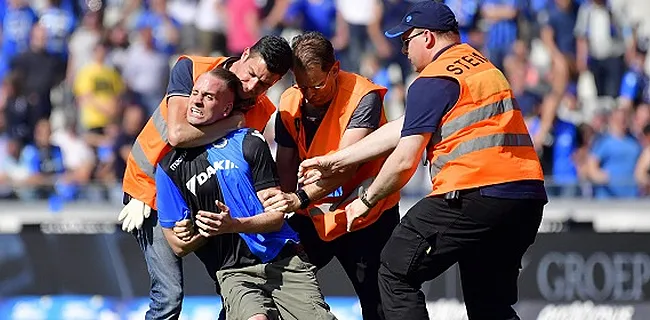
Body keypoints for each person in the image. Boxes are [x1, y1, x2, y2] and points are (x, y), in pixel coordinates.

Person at [298, 2, 548, 319]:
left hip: (472, 191)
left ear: (427, 37)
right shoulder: (483, 67)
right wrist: (335, 160)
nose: (404, 50)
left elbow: (404, 160)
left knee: (393, 269)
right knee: (489, 303)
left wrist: (365, 200)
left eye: (406, 40)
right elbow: (405, 126)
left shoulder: (433, 79)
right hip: (525, 198)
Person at [119, 35, 293, 319]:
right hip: (149, 192)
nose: (252, 87)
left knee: (237, 282)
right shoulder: (192, 68)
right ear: (245, 52)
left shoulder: (262, 110)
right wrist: (231, 124)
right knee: (168, 297)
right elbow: (177, 135)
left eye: (264, 84)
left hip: (208, 203)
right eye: (251, 75)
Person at [156, 68, 337, 320]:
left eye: (208, 97)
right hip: (233, 272)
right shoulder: (167, 168)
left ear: (227, 108)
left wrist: (232, 225)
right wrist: (204, 230)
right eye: (195, 93)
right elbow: (177, 246)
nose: (196, 100)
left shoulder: (248, 140)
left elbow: (275, 218)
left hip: (283, 261)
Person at [264, 31, 399, 320]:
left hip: (365, 215)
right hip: (313, 215)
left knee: (378, 302)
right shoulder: (290, 101)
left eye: (316, 85)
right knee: (272, 280)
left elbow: (344, 166)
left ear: (334, 70)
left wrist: (297, 198)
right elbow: (285, 164)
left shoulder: (363, 97)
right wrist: (280, 212)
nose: (309, 95)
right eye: (301, 86)